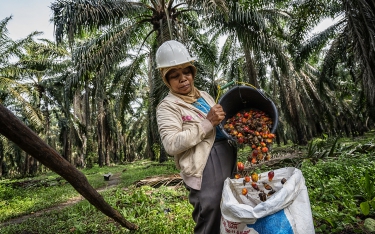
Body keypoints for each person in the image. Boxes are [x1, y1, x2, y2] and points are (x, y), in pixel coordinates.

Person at [155, 40, 237, 234]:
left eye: (186, 72)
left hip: (227, 156)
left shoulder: (205, 95)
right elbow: (171, 144)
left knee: (230, 209)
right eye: (174, 76)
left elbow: (220, 124)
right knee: (210, 214)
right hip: (204, 165)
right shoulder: (167, 107)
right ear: (166, 80)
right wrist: (207, 123)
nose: (183, 79)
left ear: (193, 72)